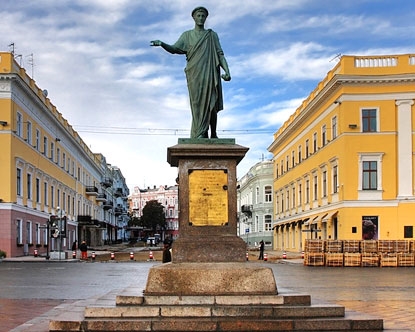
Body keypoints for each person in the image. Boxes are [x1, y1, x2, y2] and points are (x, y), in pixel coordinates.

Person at [151, 6, 231, 139]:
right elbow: (175, 48)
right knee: (197, 104)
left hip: (210, 72)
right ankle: (201, 132)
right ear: (193, 18)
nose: (200, 18)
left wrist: (227, 71)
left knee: (211, 102)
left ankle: (213, 133)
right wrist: (162, 44)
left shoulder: (212, 35)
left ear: (206, 18)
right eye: (198, 16)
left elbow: (220, 54)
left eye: (203, 16)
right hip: (194, 74)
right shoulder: (187, 35)